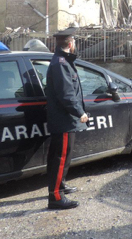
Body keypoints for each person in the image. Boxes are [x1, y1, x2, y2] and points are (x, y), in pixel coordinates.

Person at [45, 27, 88, 210]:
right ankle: (55, 197)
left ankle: (60, 186)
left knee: (62, 156)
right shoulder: (61, 64)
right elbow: (66, 94)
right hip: (64, 119)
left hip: (64, 119)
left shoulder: (62, 61)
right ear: (70, 43)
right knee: (60, 158)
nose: (75, 45)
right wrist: (80, 113)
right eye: (75, 42)